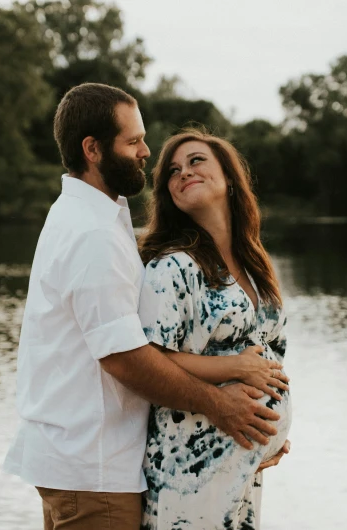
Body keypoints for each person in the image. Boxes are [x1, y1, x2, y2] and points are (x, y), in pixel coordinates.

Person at [3, 83, 288, 530]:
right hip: (95, 469)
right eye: (133, 140)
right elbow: (127, 359)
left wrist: (262, 432)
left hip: (96, 466)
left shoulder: (98, 220)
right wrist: (223, 407)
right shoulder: (93, 234)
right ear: (93, 149)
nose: (145, 151)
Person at [137, 129, 293, 529]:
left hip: (244, 460)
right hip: (190, 464)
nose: (183, 172)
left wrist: (273, 434)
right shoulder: (171, 268)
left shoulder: (255, 264)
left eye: (195, 161)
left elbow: (272, 356)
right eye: (172, 171)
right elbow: (151, 359)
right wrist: (236, 369)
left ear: (229, 176)